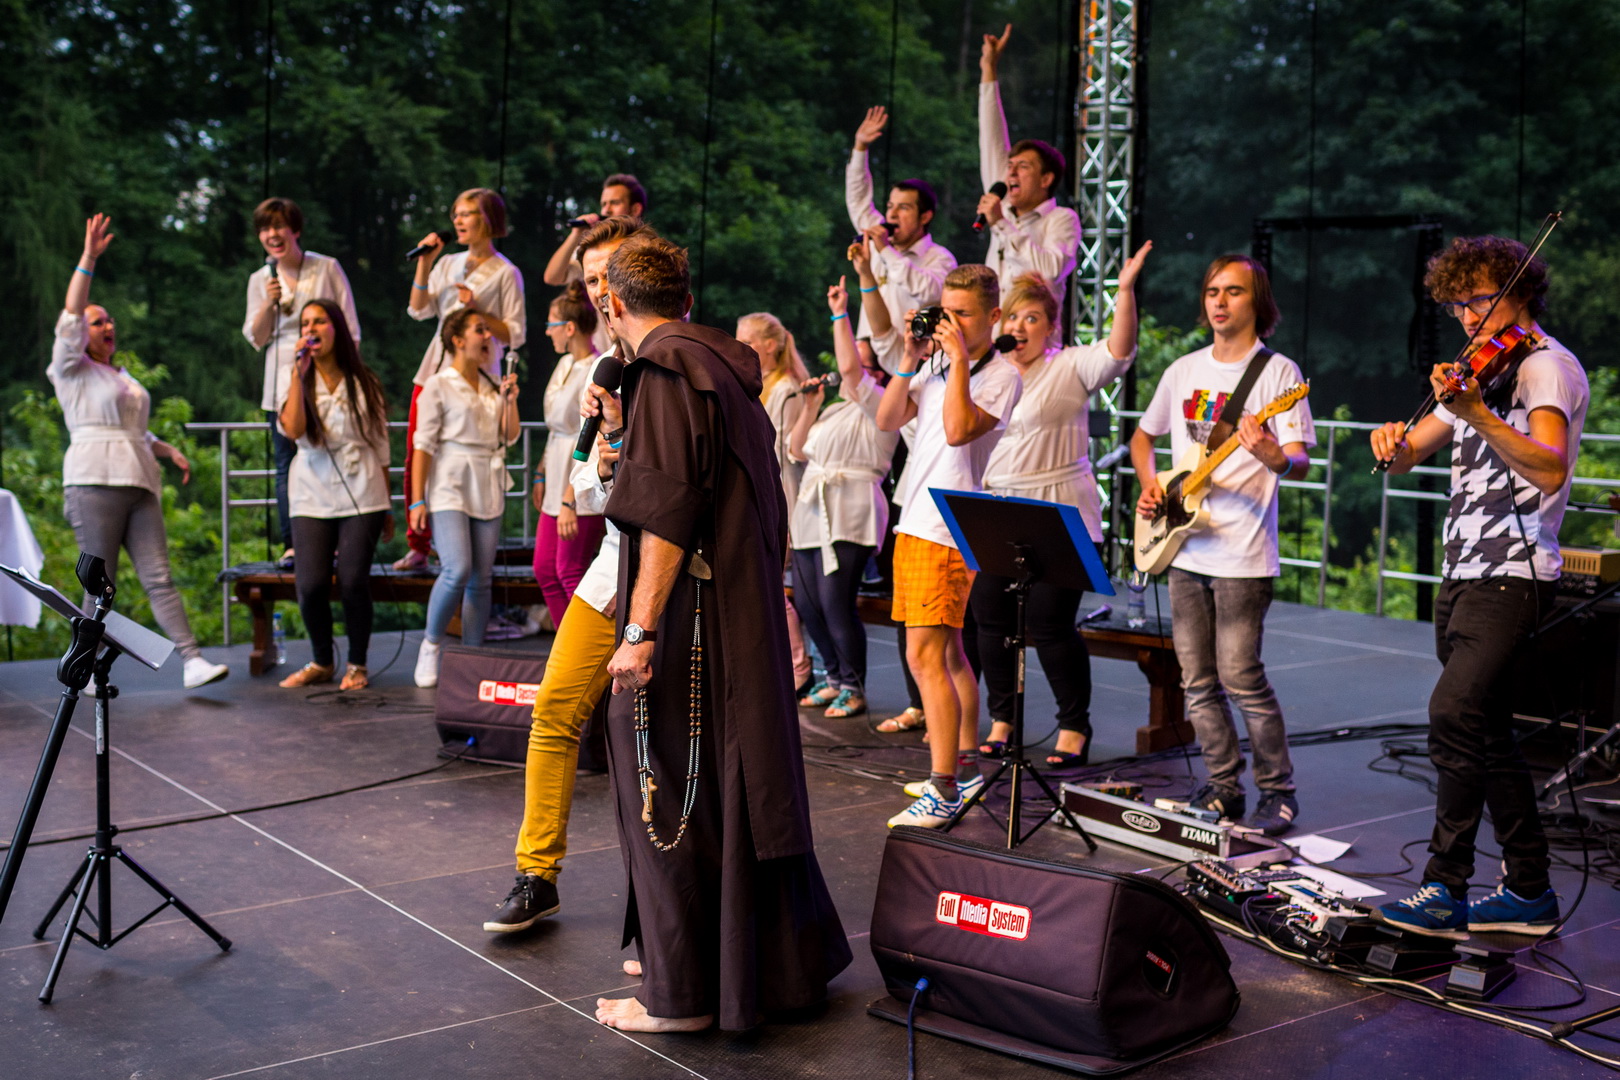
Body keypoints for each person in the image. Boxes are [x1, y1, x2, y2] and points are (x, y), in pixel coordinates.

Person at [593, 233, 851, 1032]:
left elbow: (668, 519)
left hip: (690, 621)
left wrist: (639, 630)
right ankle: (738, 968)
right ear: (687, 301)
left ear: (611, 303)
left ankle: (684, 996)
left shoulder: (666, 371)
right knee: (724, 791)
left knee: (667, 783)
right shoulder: (719, 374)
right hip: (733, 616)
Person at [1369, 236, 1587, 939]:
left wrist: (1478, 414)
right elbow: (1411, 454)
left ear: (1519, 293)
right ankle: (1529, 890)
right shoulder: (1479, 372)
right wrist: (1391, 443)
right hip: (1462, 570)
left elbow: (1549, 467)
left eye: (1479, 302)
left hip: (1512, 574)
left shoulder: (1545, 367)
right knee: (1487, 733)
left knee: (1454, 713)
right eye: (1457, 305)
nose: (1466, 317)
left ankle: (1444, 885)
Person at [483, 215, 650, 934]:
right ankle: (537, 875)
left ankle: (670, 898)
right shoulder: (599, 369)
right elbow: (584, 484)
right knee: (553, 711)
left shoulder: (675, 361)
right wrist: (606, 454)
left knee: (660, 739)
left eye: (608, 277)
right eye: (590, 281)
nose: (599, 293)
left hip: (676, 577)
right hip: (614, 568)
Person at [1129, 254, 1314, 837]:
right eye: (1212, 291)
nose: (1219, 301)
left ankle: (1278, 792)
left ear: (1257, 301)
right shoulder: (1183, 369)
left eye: (1233, 291)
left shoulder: (1279, 374)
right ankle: (1222, 787)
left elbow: (1299, 462)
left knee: (1241, 678)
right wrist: (1152, 485)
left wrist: (1272, 454)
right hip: (1184, 547)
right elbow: (1142, 439)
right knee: (1196, 682)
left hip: (1242, 554)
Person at [972, 248, 1149, 766]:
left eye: (1033, 318)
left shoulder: (1069, 364)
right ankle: (1003, 718)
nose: (1020, 327)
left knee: (1049, 621)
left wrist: (1124, 290)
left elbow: (1119, 350)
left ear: (1051, 327)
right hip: (1000, 506)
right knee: (990, 614)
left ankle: (1073, 726)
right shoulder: (989, 373)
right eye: (1013, 317)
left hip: (1060, 507)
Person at [49, 213, 229, 689]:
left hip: (140, 479)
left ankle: (192, 661)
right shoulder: (70, 369)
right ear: (80, 333)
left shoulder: (121, 376)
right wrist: (89, 258)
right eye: (97, 321)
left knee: (159, 577)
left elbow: (136, 431)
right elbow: (71, 314)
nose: (107, 324)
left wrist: (168, 451)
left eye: (109, 319)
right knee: (99, 582)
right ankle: (83, 669)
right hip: (94, 481)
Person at [877, 265, 1023, 829]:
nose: (951, 324)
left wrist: (958, 359)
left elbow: (961, 430)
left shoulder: (1001, 374)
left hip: (945, 528)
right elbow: (888, 418)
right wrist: (910, 357)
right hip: (916, 520)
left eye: (963, 314)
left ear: (993, 317)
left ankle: (942, 789)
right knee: (949, 655)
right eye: (947, 312)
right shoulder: (935, 364)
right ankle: (963, 773)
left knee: (925, 658)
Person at [788, 277, 901, 720]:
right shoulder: (835, 410)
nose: (853, 366)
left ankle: (853, 687)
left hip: (851, 505)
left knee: (836, 602)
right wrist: (810, 407)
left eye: (864, 361)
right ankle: (833, 677)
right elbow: (797, 450)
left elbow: (852, 373)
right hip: (812, 507)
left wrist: (840, 314)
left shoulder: (884, 407)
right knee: (808, 601)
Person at [399, 188, 527, 572]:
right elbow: (418, 309)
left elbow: (516, 333)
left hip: (479, 374)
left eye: (467, 213)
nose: (458, 220)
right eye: (455, 213)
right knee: (417, 451)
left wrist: (478, 310)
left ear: (487, 219)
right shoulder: (448, 262)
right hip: (435, 370)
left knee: (474, 450)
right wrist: (425, 263)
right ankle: (419, 542)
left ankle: (458, 545)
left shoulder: (506, 272)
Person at [275, 300, 392, 691]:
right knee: (310, 585)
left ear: (336, 328)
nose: (311, 328)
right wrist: (298, 372)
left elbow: (380, 443)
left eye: (320, 321)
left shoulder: (363, 380)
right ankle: (322, 661)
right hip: (310, 486)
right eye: (305, 323)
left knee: (354, 579)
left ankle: (357, 664)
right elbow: (293, 430)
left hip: (363, 487)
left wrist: (388, 504)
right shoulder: (294, 377)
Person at [242, 197, 362, 570]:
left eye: (279, 226)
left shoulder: (326, 267)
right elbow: (256, 337)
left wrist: (344, 373)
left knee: (331, 450)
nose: (272, 235)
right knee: (285, 462)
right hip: (282, 378)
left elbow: (349, 326)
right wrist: (268, 303)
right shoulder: (260, 279)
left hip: (327, 375)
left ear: (295, 230)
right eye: (265, 229)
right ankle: (293, 544)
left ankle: (336, 542)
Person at [410, 309, 521, 687]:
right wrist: (416, 500)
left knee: (481, 578)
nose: (488, 336)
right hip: (449, 482)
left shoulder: (491, 384)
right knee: (456, 568)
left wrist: (509, 400)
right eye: (479, 330)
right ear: (458, 340)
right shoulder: (438, 384)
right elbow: (422, 445)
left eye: (488, 330)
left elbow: (509, 436)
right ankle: (431, 644)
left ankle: (475, 657)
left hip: (486, 479)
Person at [736, 311, 816, 695]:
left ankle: (799, 667)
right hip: (759, 496)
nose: (740, 348)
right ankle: (778, 667)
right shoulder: (760, 385)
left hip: (779, 496)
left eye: (747, 341)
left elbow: (784, 454)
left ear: (770, 345)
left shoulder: (786, 389)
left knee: (771, 587)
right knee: (761, 587)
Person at [845, 106, 957, 372]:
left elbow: (928, 291)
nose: (892, 214)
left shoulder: (940, 258)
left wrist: (886, 251)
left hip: (912, 364)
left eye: (903, 208)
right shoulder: (879, 239)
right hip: (869, 361)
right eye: (890, 206)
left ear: (925, 216)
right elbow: (858, 200)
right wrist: (860, 147)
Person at [978, 25, 1081, 309]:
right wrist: (988, 69)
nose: (1011, 172)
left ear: (1046, 179)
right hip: (993, 333)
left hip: (1035, 335)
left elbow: (1049, 270)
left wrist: (1001, 224)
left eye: (1022, 166)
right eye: (1010, 165)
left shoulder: (1062, 219)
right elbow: (991, 137)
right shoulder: (1004, 205)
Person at [532, 282, 609, 630]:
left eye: (551, 324)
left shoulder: (596, 367)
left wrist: (569, 499)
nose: (547, 332)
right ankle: (565, 646)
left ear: (569, 328)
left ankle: (588, 645)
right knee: (544, 569)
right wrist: (541, 471)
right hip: (556, 472)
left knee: (568, 569)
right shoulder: (564, 364)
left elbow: (587, 437)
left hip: (577, 480)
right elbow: (556, 428)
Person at [541, 173, 649, 287]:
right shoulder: (595, 251)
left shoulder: (649, 249)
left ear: (635, 209)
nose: (606, 210)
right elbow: (552, 277)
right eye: (604, 204)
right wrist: (576, 234)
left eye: (615, 203)